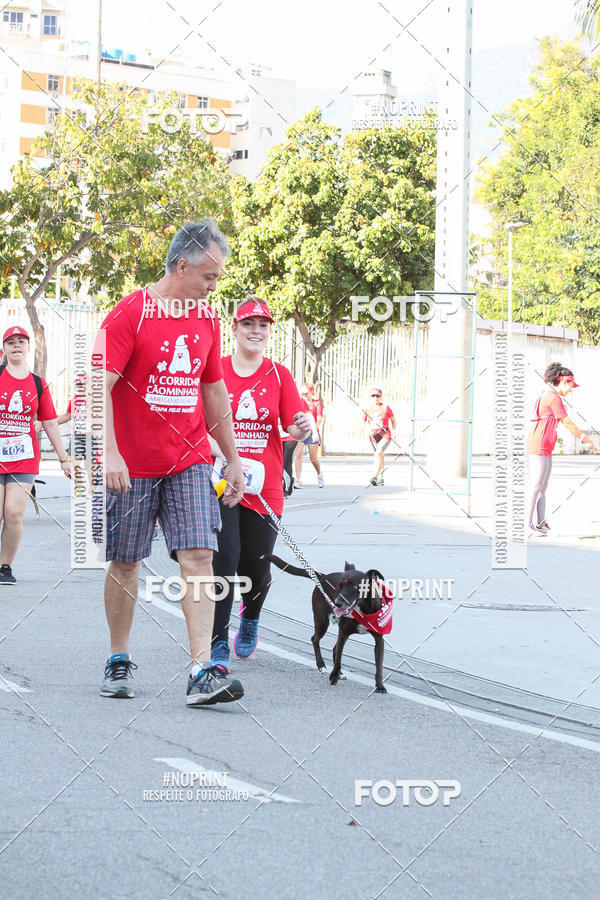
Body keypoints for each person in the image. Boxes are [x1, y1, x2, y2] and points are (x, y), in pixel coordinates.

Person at [97, 219, 246, 707]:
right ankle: (119, 656)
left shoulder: (206, 319)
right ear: (181, 265)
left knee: (200, 557)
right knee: (126, 561)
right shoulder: (130, 315)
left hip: (188, 461)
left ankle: (201, 669)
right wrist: (111, 452)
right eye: (208, 276)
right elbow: (98, 388)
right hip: (133, 465)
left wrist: (232, 458)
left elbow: (213, 391)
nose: (213, 286)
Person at [209, 296, 312, 670]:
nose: (255, 331)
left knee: (256, 566)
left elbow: (292, 427)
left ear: (270, 332)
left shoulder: (278, 374)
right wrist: (222, 457)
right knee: (225, 560)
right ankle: (217, 642)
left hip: (264, 486)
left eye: (263, 325)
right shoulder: (215, 369)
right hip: (221, 482)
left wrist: (302, 430)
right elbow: (195, 424)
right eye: (248, 324)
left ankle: (249, 619)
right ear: (233, 328)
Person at [0, 325, 71, 584]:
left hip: (23, 458)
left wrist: (64, 459)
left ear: (29, 347)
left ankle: (5, 567)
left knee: (14, 512)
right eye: (11, 342)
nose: (16, 345)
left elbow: (50, 423)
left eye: (21, 341)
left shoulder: (38, 384)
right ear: (5, 348)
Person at [526, 362, 595, 535]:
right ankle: (526, 524)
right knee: (536, 485)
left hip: (545, 446)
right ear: (563, 381)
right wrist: (585, 439)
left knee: (542, 486)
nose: (572, 389)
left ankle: (540, 523)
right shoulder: (552, 396)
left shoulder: (550, 395)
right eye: (571, 385)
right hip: (538, 445)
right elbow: (567, 422)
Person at [363, 387, 396, 486]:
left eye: (378, 396)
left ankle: (375, 476)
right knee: (379, 455)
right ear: (370, 397)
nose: (375, 398)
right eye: (373, 396)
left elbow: (393, 420)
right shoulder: (367, 409)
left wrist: (394, 431)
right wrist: (365, 431)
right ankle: (381, 478)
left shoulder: (385, 407)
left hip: (385, 434)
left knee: (378, 453)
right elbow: (364, 422)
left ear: (381, 397)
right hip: (373, 436)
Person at [293, 384, 325, 489]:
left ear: (312, 392)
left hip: (312, 432)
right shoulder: (300, 402)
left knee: (313, 458)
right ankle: (298, 480)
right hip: (302, 432)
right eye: (302, 393)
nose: (304, 395)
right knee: (298, 455)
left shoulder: (317, 403)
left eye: (306, 393)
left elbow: (319, 418)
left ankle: (319, 474)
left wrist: (313, 429)